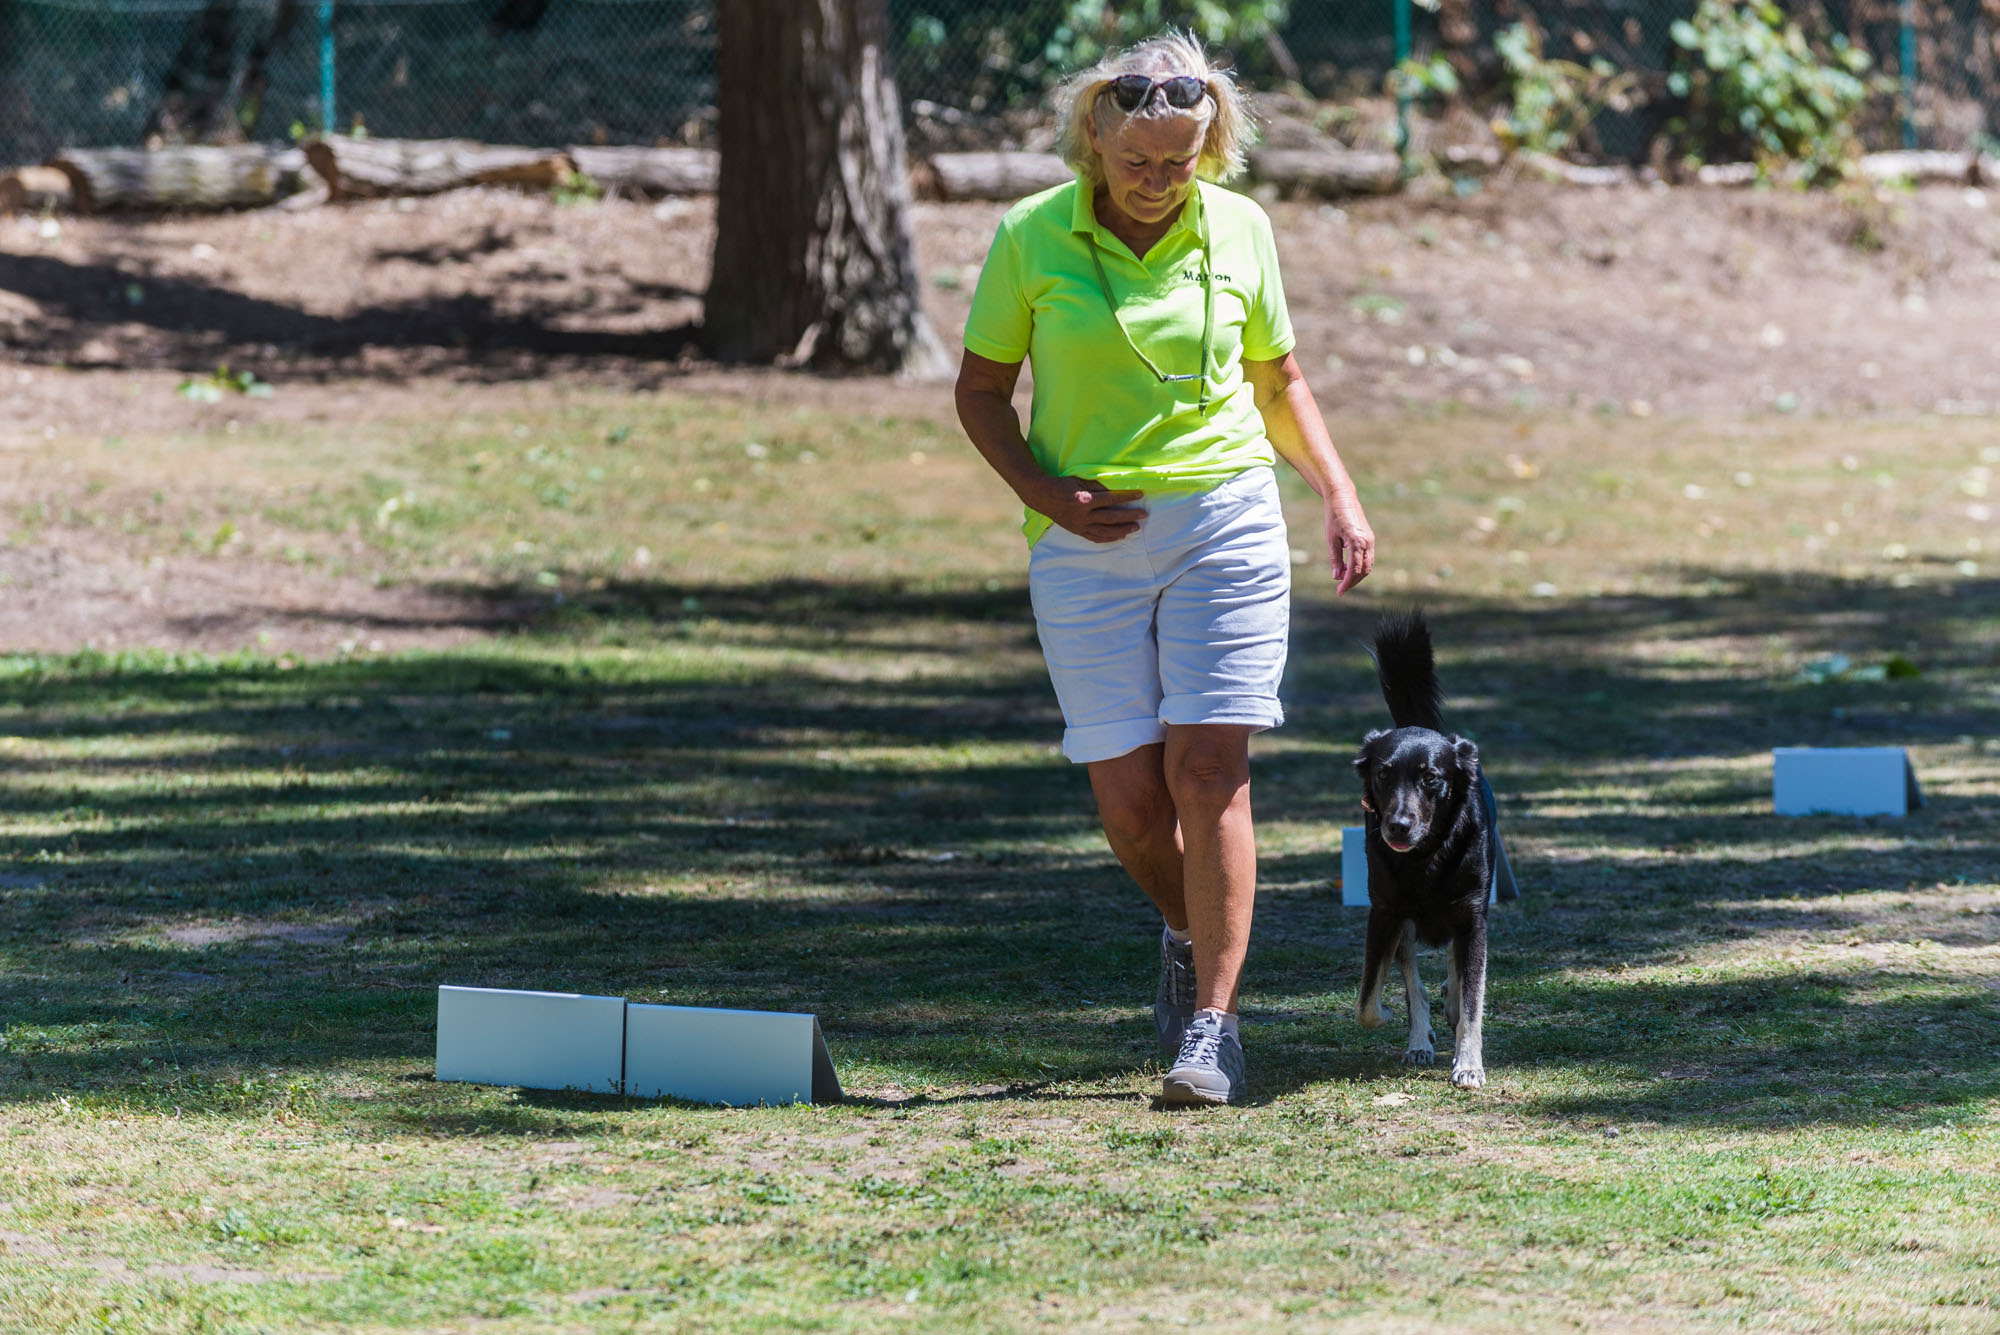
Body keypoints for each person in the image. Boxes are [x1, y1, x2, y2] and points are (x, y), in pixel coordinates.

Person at [953, 32, 1375, 1105]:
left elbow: (1277, 381)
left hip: (1224, 519)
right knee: (1132, 808)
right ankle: (1186, 928)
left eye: (1178, 161)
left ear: (1208, 146)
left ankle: (1213, 1029)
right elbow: (978, 393)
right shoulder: (1030, 237)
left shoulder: (1239, 230)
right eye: (1137, 160)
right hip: (1082, 542)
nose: (1155, 181)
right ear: (1092, 140)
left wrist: (1336, 492)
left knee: (1207, 771)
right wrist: (1042, 495)